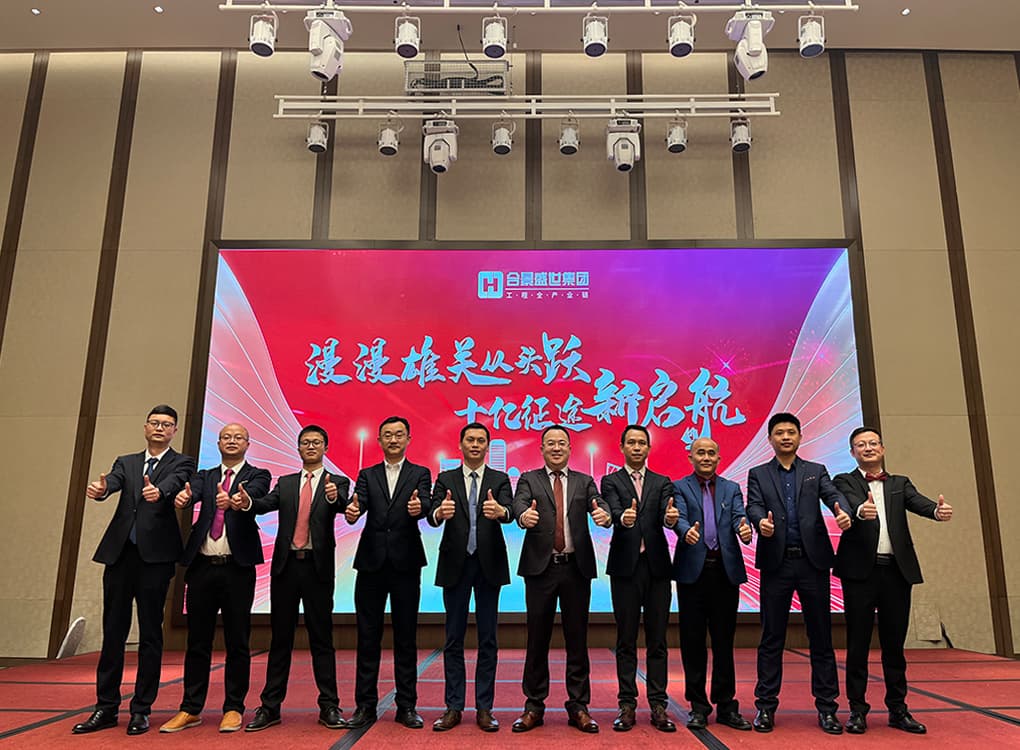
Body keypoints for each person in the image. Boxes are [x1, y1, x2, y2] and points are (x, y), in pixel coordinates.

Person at [72, 405, 195, 736]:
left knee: (150, 634)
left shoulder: (182, 462)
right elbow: (112, 481)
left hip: (156, 558)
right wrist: (102, 490)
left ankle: (141, 709)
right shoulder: (125, 462)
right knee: (113, 632)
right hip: (120, 556)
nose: (160, 428)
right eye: (154, 423)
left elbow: (175, 482)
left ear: (174, 431)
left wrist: (160, 491)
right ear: (145, 427)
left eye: (166, 424)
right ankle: (106, 707)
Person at [834, 426, 954, 735]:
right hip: (859, 573)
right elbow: (848, 501)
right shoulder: (843, 480)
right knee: (858, 644)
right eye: (861, 444)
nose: (868, 448)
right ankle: (857, 710)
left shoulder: (900, 483)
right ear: (852, 453)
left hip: (896, 573)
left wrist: (936, 510)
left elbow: (919, 502)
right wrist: (859, 510)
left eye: (873, 443)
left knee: (894, 645)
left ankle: (898, 709)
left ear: (883, 449)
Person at [158, 423, 271, 734]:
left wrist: (239, 501)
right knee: (197, 641)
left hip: (238, 568)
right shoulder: (205, 476)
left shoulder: (258, 475)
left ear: (247, 444)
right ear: (218, 443)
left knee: (237, 641)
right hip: (202, 567)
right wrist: (184, 497)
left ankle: (234, 707)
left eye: (238, 437)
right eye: (226, 437)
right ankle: (190, 708)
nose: (232, 441)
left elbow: (256, 495)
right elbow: (191, 492)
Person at [745, 412, 852, 735]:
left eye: (791, 432)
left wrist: (843, 510)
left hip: (812, 563)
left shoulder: (815, 471)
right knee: (771, 637)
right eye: (779, 433)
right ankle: (765, 707)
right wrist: (759, 522)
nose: (786, 437)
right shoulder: (758, 473)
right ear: (770, 439)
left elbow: (833, 496)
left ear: (800, 436)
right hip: (776, 564)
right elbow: (753, 505)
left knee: (821, 637)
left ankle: (827, 708)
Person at [243, 425, 348, 732]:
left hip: (317, 568)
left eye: (316, 442)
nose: (311, 446)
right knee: (280, 639)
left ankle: (329, 706)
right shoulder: (286, 483)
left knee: (322, 639)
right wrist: (248, 502)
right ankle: (270, 707)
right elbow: (265, 504)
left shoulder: (336, 482)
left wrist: (335, 497)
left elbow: (344, 504)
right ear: (299, 448)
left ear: (326, 448)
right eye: (305, 442)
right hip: (286, 568)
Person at [511, 425, 612, 734]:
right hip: (540, 570)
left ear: (570, 448)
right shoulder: (529, 479)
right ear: (542, 449)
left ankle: (578, 706)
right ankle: (533, 706)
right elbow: (518, 503)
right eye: (550, 443)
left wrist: (605, 514)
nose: (556, 448)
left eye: (562, 443)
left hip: (575, 569)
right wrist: (523, 516)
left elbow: (599, 503)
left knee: (577, 639)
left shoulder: (584, 481)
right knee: (537, 639)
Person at [344, 416, 432, 730]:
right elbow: (357, 505)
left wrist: (420, 508)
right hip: (371, 563)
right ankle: (365, 706)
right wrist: (352, 512)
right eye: (387, 435)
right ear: (379, 440)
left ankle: (406, 706)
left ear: (408, 439)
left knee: (406, 637)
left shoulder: (420, 473)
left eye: (399, 435)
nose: (393, 440)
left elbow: (425, 503)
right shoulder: (367, 474)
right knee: (368, 636)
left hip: (406, 563)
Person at [428, 422, 514, 733]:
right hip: (456, 564)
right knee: (453, 638)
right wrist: (440, 513)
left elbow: (511, 512)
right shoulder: (446, 478)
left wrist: (501, 512)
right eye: (470, 440)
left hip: (489, 564)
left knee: (488, 639)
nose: (475, 445)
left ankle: (484, 707)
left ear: (487, 446)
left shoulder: (499, 478)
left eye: (480, 440)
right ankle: (453, 706)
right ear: (461, 445)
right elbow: (432, 514)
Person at [669, 437, 754, 732]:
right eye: (700, 453)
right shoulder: (680, 487)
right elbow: (678, 517)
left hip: (725, 573)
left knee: (723, 642)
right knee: (693, 642)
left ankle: (726, 704)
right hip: (693, 574)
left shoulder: (732, 488)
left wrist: (745, 528)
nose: (706, 457)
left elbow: (740, 516)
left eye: (711, 453)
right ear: (690, 457)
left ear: (718, 458)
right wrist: (684, 531)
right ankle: (698, 706)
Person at [600, 424, 677, 733]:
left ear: (648, 448)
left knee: (658, 639)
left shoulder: (662, 482)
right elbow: (613, 510)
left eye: (641, 443)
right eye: (630, 442)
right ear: (622, 447)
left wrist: (670, 519)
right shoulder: (611, 481)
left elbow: (667, 515)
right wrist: (622, 517)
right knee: (626, 639)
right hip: (625, 569)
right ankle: (627, 704)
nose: (636, 447)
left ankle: (658, 704)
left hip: (657, 568)